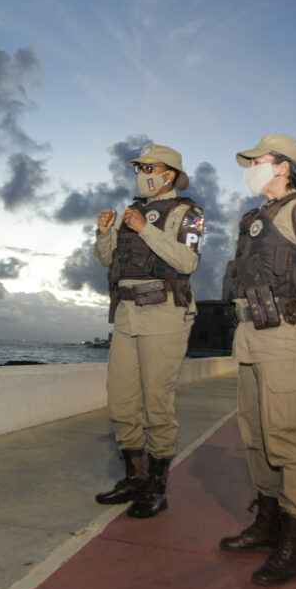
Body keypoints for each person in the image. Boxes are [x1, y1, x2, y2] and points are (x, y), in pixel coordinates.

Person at [219, 134, 296, 586]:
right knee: (255, 434)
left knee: (287, 437)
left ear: (283, 167)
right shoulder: (254, 217)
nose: (250, 165)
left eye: (257, 159)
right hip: (251, 333)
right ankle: (268, 524)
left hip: (285, 332)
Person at [92, 144, 203, 519]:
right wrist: (104, 233)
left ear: (168, 173)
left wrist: (147, 230)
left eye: (148, 166)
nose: (141, 172)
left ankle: (157, 487)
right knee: (121, 402)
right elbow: (107, 259)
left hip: (164, 314)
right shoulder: (131, 211)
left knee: (157, 404)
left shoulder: (189, 213)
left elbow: (187, 260)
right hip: (126, 315)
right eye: (138, 167)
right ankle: (134, 478)